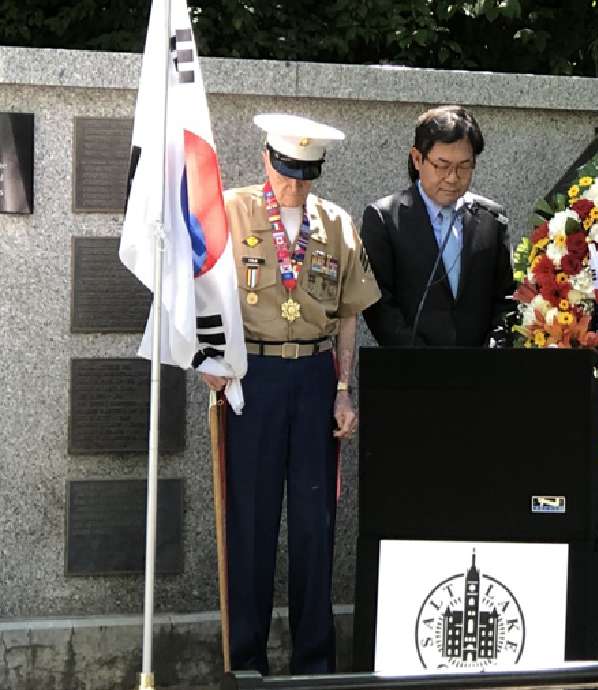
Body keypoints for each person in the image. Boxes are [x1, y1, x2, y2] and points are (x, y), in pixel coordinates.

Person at [201, 112, 380, 675]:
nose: (293, 184)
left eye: (305, 173)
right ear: (265, 161)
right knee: (249, 522)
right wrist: (208, 356)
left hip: (314, 376)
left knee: (314, 524)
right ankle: (247, 661)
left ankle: (313, 665)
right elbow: (202, 284)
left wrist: (344, 391)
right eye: (284, 170)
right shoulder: (231, 210)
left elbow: (349, 315)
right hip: (251, 375)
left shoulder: (337, 224)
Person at [360, 105, 514, 347]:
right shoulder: (385, 218)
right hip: (411, 371)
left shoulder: (491, 219)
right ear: (417, 159)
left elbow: (506, 298)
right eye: (442, 166)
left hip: (482, 372)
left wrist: (494, 346)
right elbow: (378, 304)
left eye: (464, 166)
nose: (453, 178)